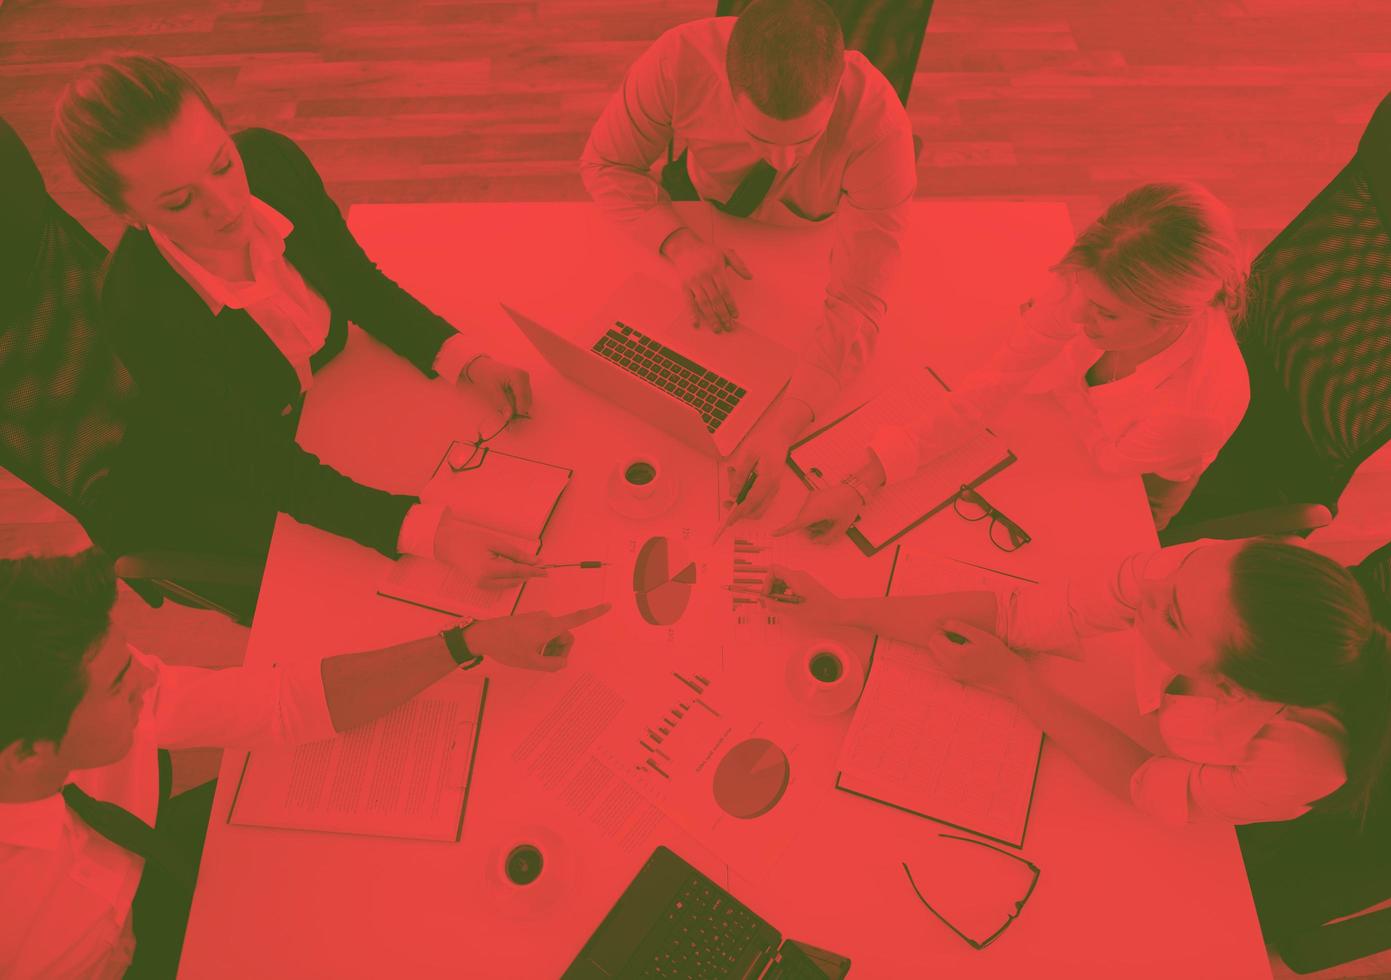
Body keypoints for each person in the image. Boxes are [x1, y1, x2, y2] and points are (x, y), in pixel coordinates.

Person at [52, 54, 543, 609]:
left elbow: (354, 280)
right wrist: (434, 535)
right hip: (245, 460)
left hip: (332, 403)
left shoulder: (272, 162)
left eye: (222, 164)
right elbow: (265, 466)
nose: (226, 204)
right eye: (181, 201)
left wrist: (466, 359)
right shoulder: (138, 306)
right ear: (130, 214)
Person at [0, 549, 610, 977]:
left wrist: (469, 642)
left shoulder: (82, 703)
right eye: (116, 685)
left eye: (127, 655)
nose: (145, 679)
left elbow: (281, 704)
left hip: (154, 872)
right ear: (26, 754)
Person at [750, 538, 1391, 826]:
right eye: (1184, 569)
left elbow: (1146, 784)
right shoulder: (1203, 577)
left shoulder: (1297, 764)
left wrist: (1016, 683)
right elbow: (1021, 613)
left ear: (1232, 689)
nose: (1150, 585)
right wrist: (845, 609)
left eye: (1171, 614)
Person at [580, 0, 917, 524]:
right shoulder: (678, 60)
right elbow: (605, 162)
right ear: (725, 84)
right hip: (702, 219)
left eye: (805, 141)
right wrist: (679, 244)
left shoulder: (880, 123)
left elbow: (859, 298)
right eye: (760, 137)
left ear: (836, 91)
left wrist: (783, 428)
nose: (783, 161)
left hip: (813, 245)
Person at [779, 182, 1251, 539]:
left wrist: (1051, 373)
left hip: (1134, 492)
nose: (1079, 315)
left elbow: (1108, 461)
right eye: (1082, 295)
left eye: (1105, 313)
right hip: (1072, 435)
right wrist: (864, 482)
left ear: (1167, 320)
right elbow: (995, 383)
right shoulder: (1092, 279)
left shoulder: (1196, 410)